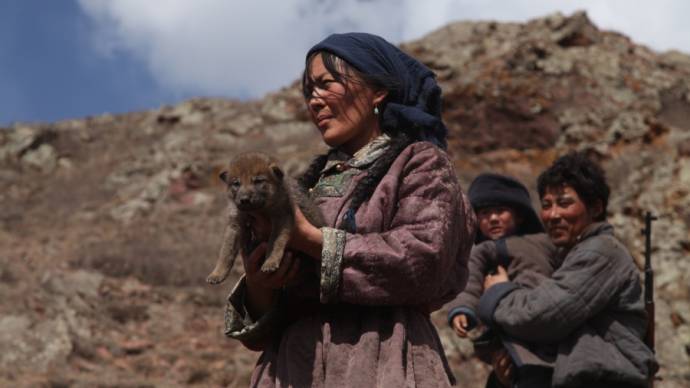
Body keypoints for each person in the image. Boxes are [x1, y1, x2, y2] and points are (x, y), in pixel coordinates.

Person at [222, 32, 476, 388]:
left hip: (384, 359)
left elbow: (425, 258)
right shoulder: (301, 188)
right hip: (292, 368)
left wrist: (312, 240)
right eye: (309, 91)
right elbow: (259, 331)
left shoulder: (420, 162)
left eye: (326, 84)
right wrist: (261, 284)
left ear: (377, 90)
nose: (315, 100)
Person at [479, 152, 658, 388]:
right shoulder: (564, 256)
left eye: (564, 203)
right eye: (546, 205)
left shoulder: (600, 252)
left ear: (595, 208)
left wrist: (499, 292)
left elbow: (542, 315)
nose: (553, 215)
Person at [445, 173, 557, 388]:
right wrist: (462, 309)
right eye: (485, 213)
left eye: (500, 211)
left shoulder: (548, 241)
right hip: (515, 334)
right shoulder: (486, 250)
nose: (493, 218)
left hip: (548, 319)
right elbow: (471, 278)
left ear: (520, 215)